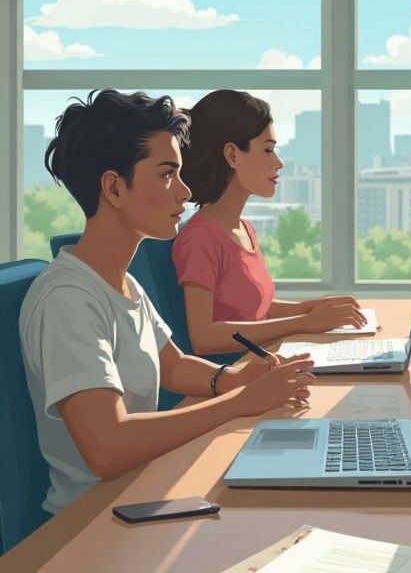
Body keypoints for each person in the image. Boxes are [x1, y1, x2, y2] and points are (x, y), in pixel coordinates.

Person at [19, 89, 316, 514]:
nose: (184, 190)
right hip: (93, 522)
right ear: (114, 188)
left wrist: (234, 379)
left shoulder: (122, 284)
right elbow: (106, 447)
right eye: (166, 175)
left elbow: (172, 365)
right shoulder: (68, 299)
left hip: (141, 490)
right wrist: (237, 404)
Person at [174, 90, 366, 355]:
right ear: (232, 155)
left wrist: (308, 309)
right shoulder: (200, 239)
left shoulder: (244, 230)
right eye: (268, 150)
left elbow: (251, 307)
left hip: (262, 363)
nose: (279, 163)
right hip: (239, 377)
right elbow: (204, 337)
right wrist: (303, 322)